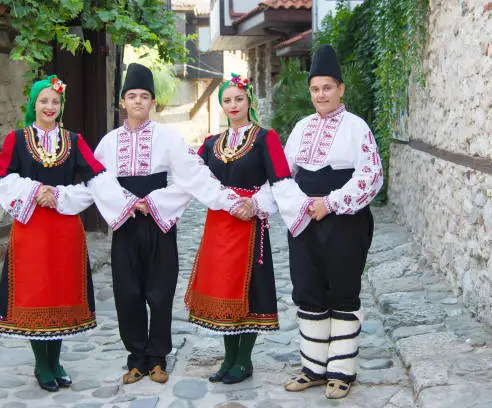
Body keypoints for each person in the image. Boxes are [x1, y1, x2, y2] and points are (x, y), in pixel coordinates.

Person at [94, 63, 246, 385]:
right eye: (132, 96)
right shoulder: (108, 143)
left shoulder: (168, 138)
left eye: (144, 96)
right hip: (126, 224)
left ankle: (158, 358)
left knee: (161, 292)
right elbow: (98, 181)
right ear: (123, 102)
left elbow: (192, 177)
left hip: (159, 224)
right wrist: (126, 203)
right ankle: (136, 359)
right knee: (128, 293)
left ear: (153, 102)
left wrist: (228, 202)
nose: (137, 101)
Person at [0, 75, 143, 392]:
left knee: (60, 291)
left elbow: (97, 179)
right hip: (31, 227)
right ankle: (41, 364)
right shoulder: (16, 140)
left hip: (64, 227)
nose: (49, 107)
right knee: (36, 292)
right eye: (43, 101)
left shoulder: (74, 142)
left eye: (55, 102)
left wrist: (123, 202)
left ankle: (56, 360)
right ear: (34, 104)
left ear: (62, 106)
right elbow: (2, 180)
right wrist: (36, 191)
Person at [281, 45, 383, 399]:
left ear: (341, 89)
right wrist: (300, 204)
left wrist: (331, 203)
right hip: (304, 221)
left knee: (342, 290)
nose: (321, 94)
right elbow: (283, 174)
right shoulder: (301, 127)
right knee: (307, 289)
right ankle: (313, 367)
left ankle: (341, 370)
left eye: (327, 87)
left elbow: (371, 175)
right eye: (315, 89)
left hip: (344, 221)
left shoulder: (357, 127)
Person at [184, 73, 292, 384]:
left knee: (250, 293)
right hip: (219, 225)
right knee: (223, 289)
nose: (233, 105)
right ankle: (228, 358)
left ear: (249, 102)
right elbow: (193, 176)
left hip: (250, 226)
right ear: (221, 105)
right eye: (227, 100)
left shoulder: (264, 138)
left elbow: (281, 179)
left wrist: (255, 204)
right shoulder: (211, 144)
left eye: (239, 99)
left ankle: (243, 360)